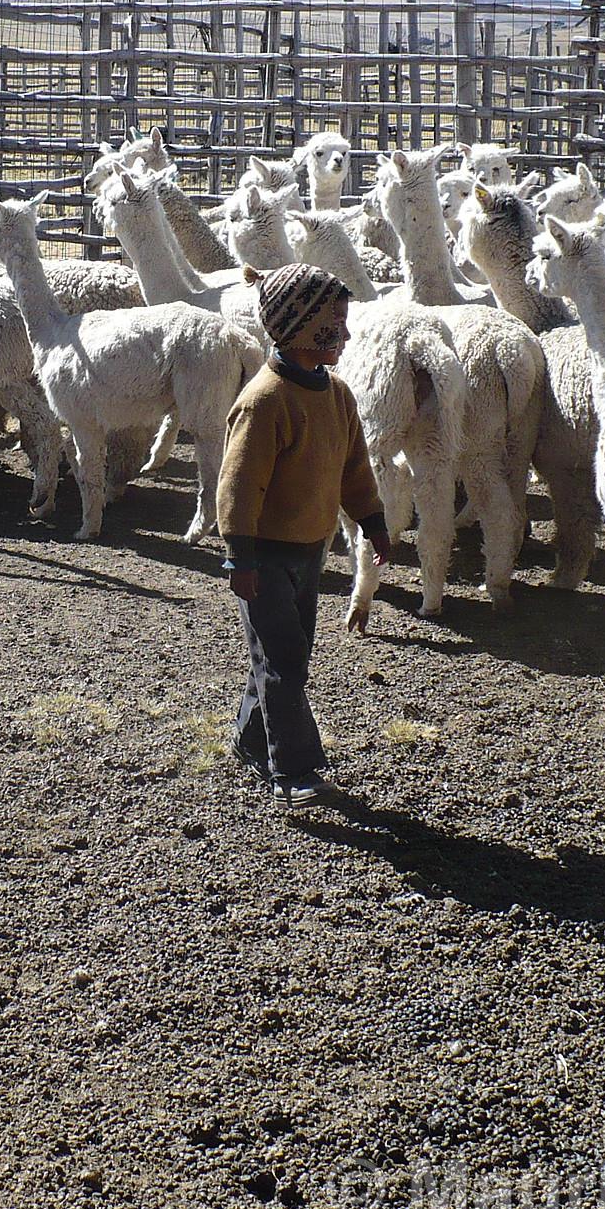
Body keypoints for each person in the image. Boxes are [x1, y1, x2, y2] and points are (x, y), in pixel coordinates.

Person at [217, 263, 390, 808]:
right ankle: (293, 769)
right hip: (265, 555)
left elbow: (353, 468)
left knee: (283, 656)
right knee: (285, 662)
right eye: (334, 326)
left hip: (309, 552)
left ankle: (251, 741)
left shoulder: (336, 396)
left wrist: (374, 521)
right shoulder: (264, 401)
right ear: (300, 329)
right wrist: (239, 556)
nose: (345, 335)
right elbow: (239, 486)